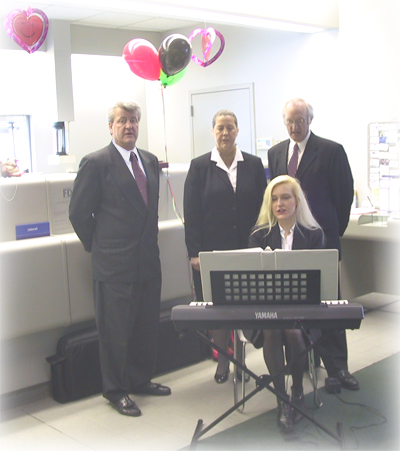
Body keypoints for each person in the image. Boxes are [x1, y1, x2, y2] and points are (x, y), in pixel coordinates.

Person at [69, 101, 171, 417]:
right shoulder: (96, 163)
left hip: (147, 261)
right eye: (123, 121)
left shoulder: (150, 161)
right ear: (111, 126)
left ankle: (140, 379)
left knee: (145, 326)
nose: (129, 126)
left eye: (134, 120)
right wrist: (99, 246)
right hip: (113, 263)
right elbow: (78, 214)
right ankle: (116, 390)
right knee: (115, 332)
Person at [268, 98, 359, 391]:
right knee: (297, 304)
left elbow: (343, 196)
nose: (295, 127)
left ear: (310, 120)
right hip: (289, 243)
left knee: (328, 303)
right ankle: (306, 360)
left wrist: (332, 234)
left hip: (323, 241)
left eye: (300, 121)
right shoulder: (276, 153)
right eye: (290, 122)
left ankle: (338, 367)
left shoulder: (331, 151)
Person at [184, 109, 267, 383]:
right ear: (212, 131)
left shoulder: (253, 165)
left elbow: (263, 209)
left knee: (244, 308)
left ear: (238, 131)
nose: (225, 133)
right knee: (217, 309)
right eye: (220, 128)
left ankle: (241, 363)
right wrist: (194, 252)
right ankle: (223, 363)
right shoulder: (199, 166)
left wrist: (264, 244)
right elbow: (191, 213)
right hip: (212, 252)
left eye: (230, 127)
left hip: (248, 249)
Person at [249, 175, 324, 431]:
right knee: (272, 328)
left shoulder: (314, 235)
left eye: (285, 197)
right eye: (274, 199)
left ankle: (298, 393)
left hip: (304, 311)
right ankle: (282, 400)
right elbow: (252, 285)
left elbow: (319, 284)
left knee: (292, 329)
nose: (279, 203)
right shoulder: (260, 236)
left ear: (297, 201)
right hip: (266, 310)